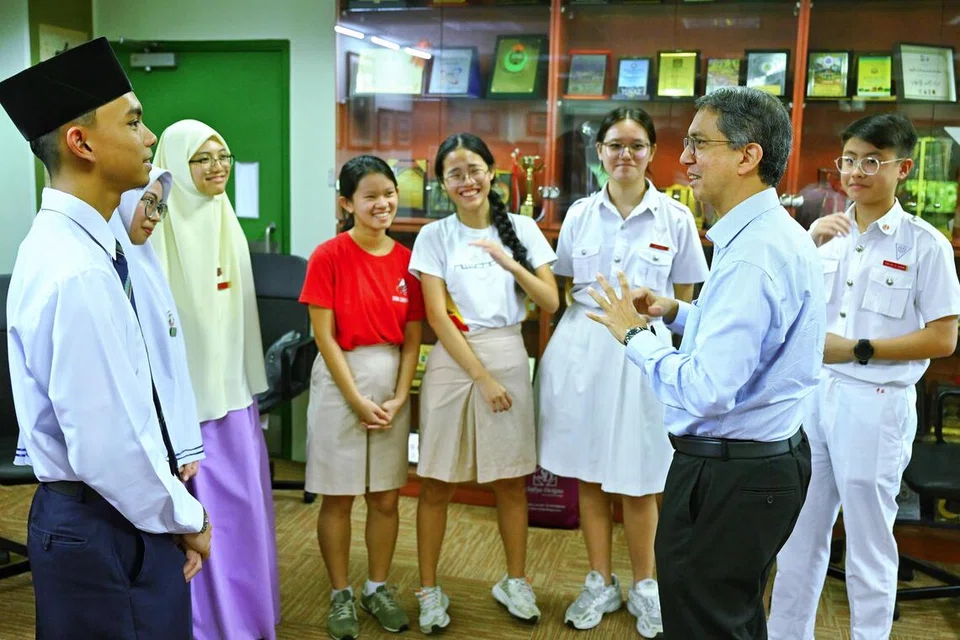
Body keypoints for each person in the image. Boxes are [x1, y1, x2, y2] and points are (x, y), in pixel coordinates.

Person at [586, 86, 824, 638]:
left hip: (728, 474)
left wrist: (637, 336)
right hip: (763, 463)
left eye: (698, 144)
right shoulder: (770, 236)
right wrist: (677, 314)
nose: (684, 159)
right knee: (731, 618)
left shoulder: (752, 256)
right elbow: (760, 342)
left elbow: (707, 389)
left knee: (703, 622)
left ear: (748, 156)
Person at [0, 38, 210, 639]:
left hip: (124, 511)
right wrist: (185, 517)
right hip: (104, 517)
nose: (150, 138)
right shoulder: (78, 269)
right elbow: (105, 445)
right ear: (82, 142)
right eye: (136, 121)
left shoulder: (99, 246)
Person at [767, 113, 960, 640]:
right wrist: (807, 241)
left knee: (870, 543)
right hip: (813, 399)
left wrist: (859, 349)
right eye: (849, 159)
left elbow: (944, 337)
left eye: (872, 161)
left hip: (876, 402)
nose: (856, 171)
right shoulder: (825, 235)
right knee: (799, 538)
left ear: (903, 168)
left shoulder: (926, 246)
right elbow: (786, 311)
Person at [536, 107, 708, 637]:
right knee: (589, 472)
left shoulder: (676, 218)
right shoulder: (581, 214)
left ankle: (645, 586)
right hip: (583, 354)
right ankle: (598, 581)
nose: (625, 155)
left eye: (636, 145)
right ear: (600, 152)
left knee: (639, 480)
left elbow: (685, 297)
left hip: (645, 355)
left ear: (653, 152)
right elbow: (565, 286)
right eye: (615, 145)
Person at [409, 133, 559, 634]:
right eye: (454, 173)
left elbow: (550, 302)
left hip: (508, 351)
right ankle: (430, 589)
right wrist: (481, 377)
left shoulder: (522, 229)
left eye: (473, 169)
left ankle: (515, 580)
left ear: (491, 173)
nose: (466, 180)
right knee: (434, 482)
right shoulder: (434, 236)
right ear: (443, 184)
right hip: (455, 360)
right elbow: (436, 316)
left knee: (511, 482)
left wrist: (508, 260)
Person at [152, 119, 279, 640]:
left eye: (223, 156)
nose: (217, 167)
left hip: (233, 402)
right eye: (201, 158)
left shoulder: (223, 215)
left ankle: (248, 617)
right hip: (188, 412)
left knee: (244, 515)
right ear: (176, 165)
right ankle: (207, 627)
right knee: (200, 524)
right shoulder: (153, 225)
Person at [299, 155, 424, 639]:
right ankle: (340, 594)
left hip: (391, 378)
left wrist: (399, 396)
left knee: (387, 498)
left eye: (388, 193)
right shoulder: (328, 256)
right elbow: (324, 337)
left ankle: (376, 586)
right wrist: (354, 398)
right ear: (347, 203)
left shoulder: (408, 260)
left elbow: (413, 338)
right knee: (338, 497)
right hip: (340, 381)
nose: (383, 203)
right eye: (370, 196)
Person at [110, 166, 205, 482]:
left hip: (163, 437)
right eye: (147, 202)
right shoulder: (108, 267)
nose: (153, 216)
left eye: (160, 207)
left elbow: (171, 361)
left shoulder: (146, 263)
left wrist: (183, 441)